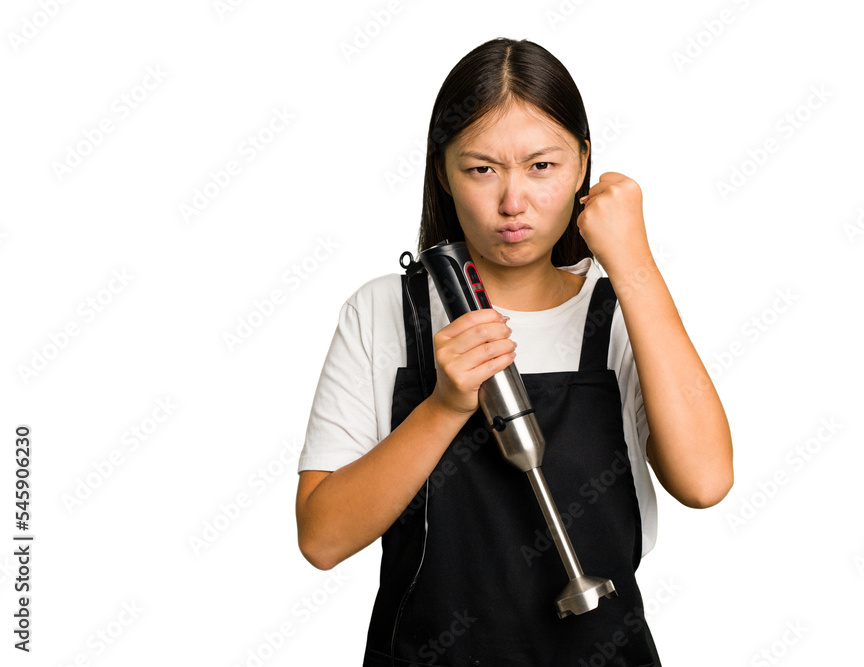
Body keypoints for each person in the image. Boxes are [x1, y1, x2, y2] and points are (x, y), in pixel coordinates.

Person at [295, 37, 733, 666]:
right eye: (481, 169)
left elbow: (706, 481)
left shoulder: (620, 312)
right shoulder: (384, 311)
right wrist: (444, 407)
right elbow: (322, 538)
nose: (512, 202)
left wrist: (634, 264)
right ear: (442, 170)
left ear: (583, 163)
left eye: (542, 166)